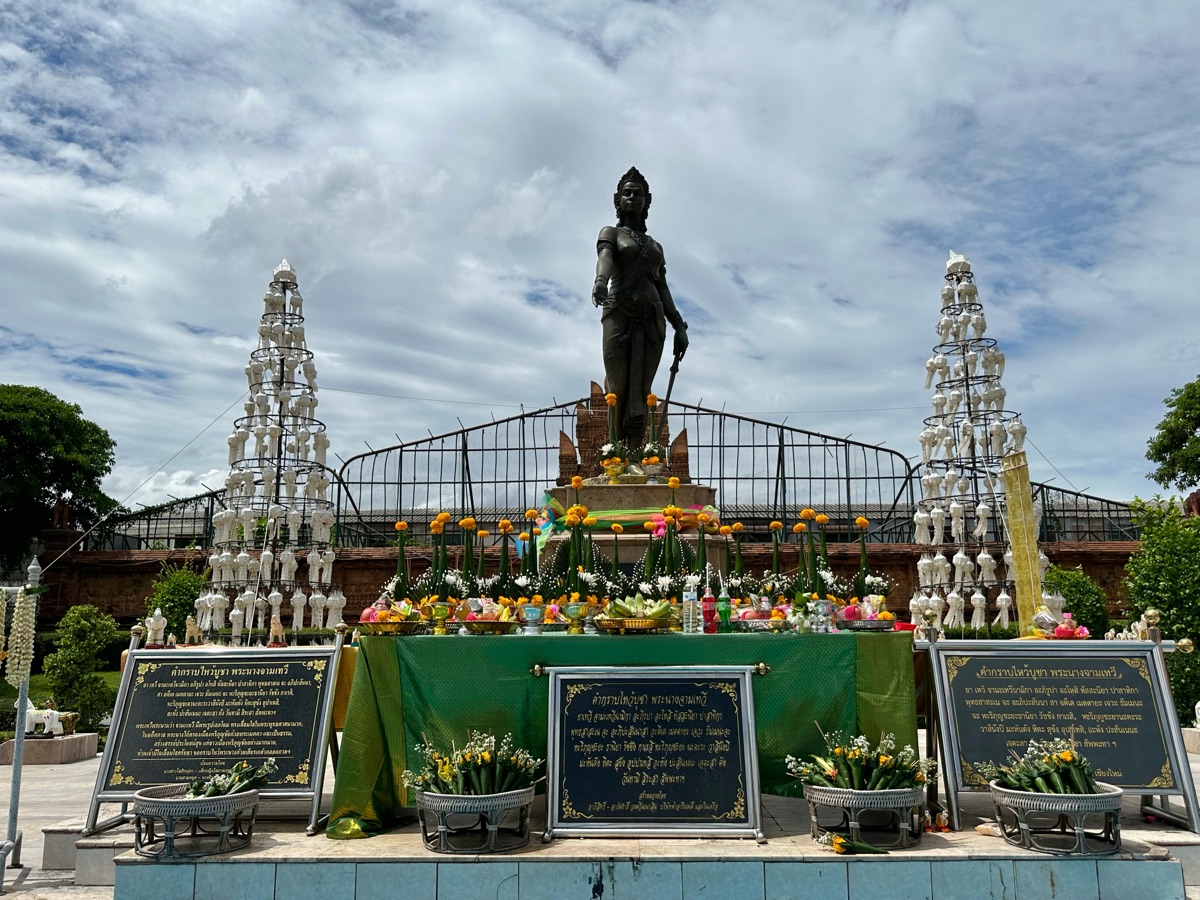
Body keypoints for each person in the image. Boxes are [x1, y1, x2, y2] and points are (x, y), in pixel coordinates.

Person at [592, 167, 688, 450]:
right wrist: (600, 281)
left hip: (652, 322)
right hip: (619, 315)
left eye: (638, 194)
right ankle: (614, 453)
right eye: (627, 193)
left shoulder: (655, 246)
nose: (632, 197)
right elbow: (605, 258)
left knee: (643, 391)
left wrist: (679, 325)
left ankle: (635, 452)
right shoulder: (610, 233)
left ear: (648, 201)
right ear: (617, 200)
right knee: (618, 388)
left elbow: (663, 287)